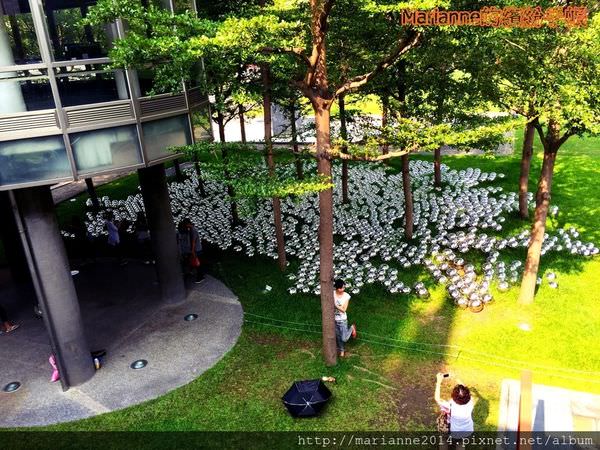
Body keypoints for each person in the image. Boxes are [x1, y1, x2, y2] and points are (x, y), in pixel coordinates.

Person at [434, 373, 474, 441]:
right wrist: (456, 378)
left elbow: (437, 398)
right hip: (468, 429)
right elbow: (466, 391)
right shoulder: (470, 401)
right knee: (461, 444)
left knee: (444, 440)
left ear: (453, 396)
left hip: (455, 431)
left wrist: (438, 382)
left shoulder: (450, 405)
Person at [333, 279, 356, 357]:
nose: (343, 289)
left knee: (344, 338)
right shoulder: (332, 294)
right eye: (341, 288)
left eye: (343, 288)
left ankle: (352, 328)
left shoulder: (346, 296)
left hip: (342, 320)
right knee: (338, 337)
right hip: (334, 320)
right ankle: (342, 350)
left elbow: (343, 310)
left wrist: (335, 305)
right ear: (336, 288)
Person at [178, 218, 204, 284]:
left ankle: (200, 277)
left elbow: (193, 242)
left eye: (185, 224)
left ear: (187, 224)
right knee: (196, 263)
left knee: (198, 263)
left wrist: (192, 251)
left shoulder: (193, 230)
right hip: (196, 249)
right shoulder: (191, 229)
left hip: (197, 249)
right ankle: (194, 273)